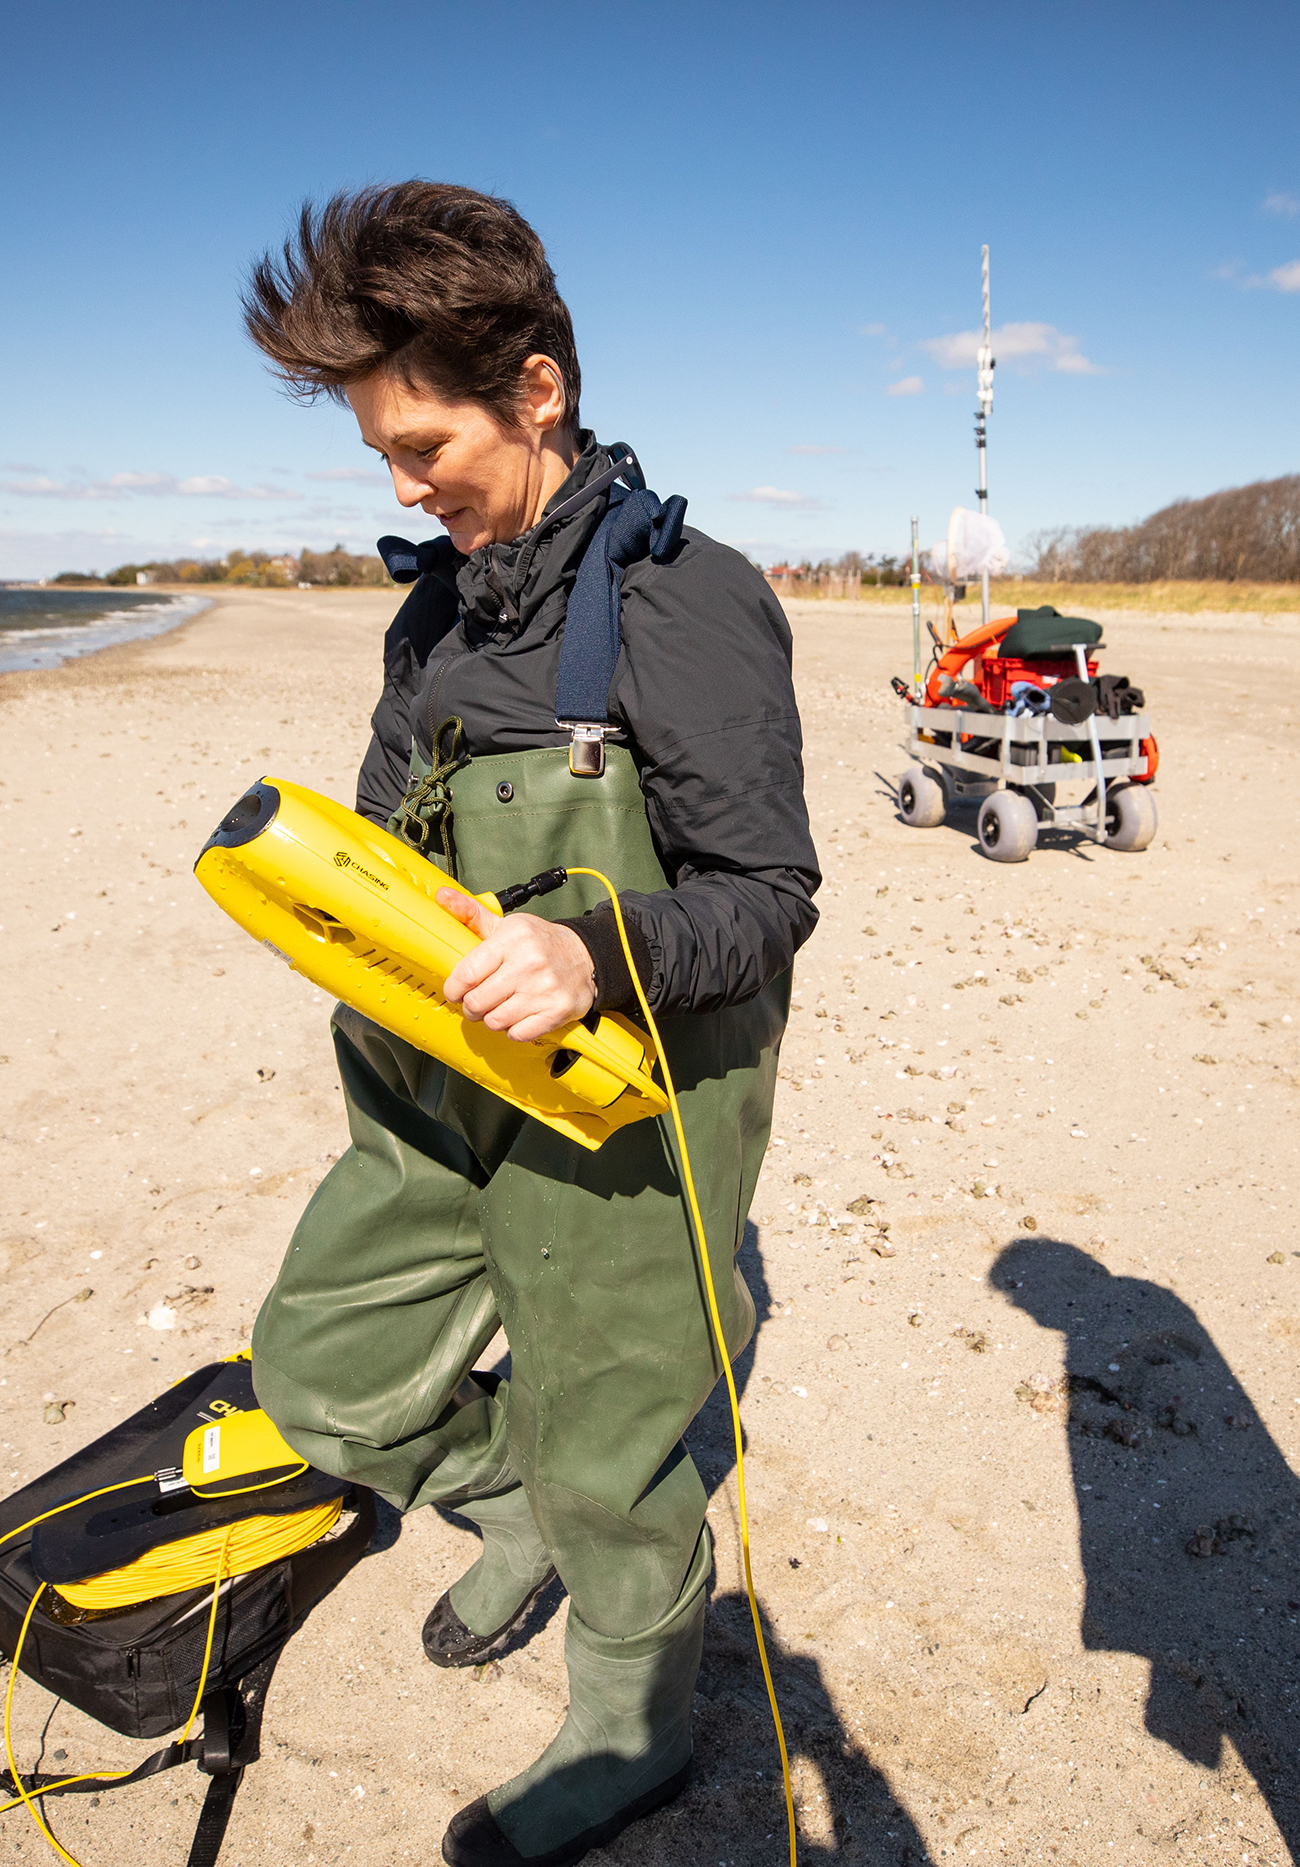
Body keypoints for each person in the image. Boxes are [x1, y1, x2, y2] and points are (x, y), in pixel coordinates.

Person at [235, 182, 817, 1867]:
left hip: (631, 1085)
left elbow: (770, 894)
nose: (405, 488)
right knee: (328, 1372)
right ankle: (524, 1499)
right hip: (428, 1077)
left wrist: (584, 953)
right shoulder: (433, 616)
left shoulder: (686, 596)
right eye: (382, 458)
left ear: (538, 392)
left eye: (424, 448)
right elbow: (376, 834)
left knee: (622, 1425)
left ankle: (638, 1720)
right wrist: (315, 901)